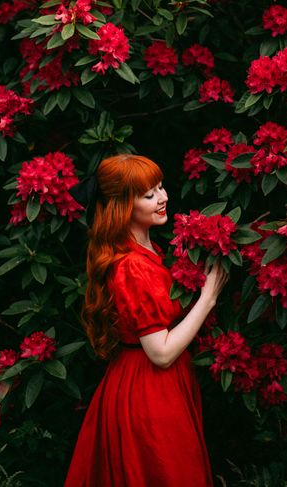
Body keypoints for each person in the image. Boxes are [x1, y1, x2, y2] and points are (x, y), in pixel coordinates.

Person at [65, 154, 228, 487]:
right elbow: (161, 352)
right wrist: (208, 297)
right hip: (149, 392)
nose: (163, 197)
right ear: (123, 205)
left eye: (160, 187)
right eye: (149, 194)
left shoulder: (147, 251)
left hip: (146, 384)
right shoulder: (132, 267)